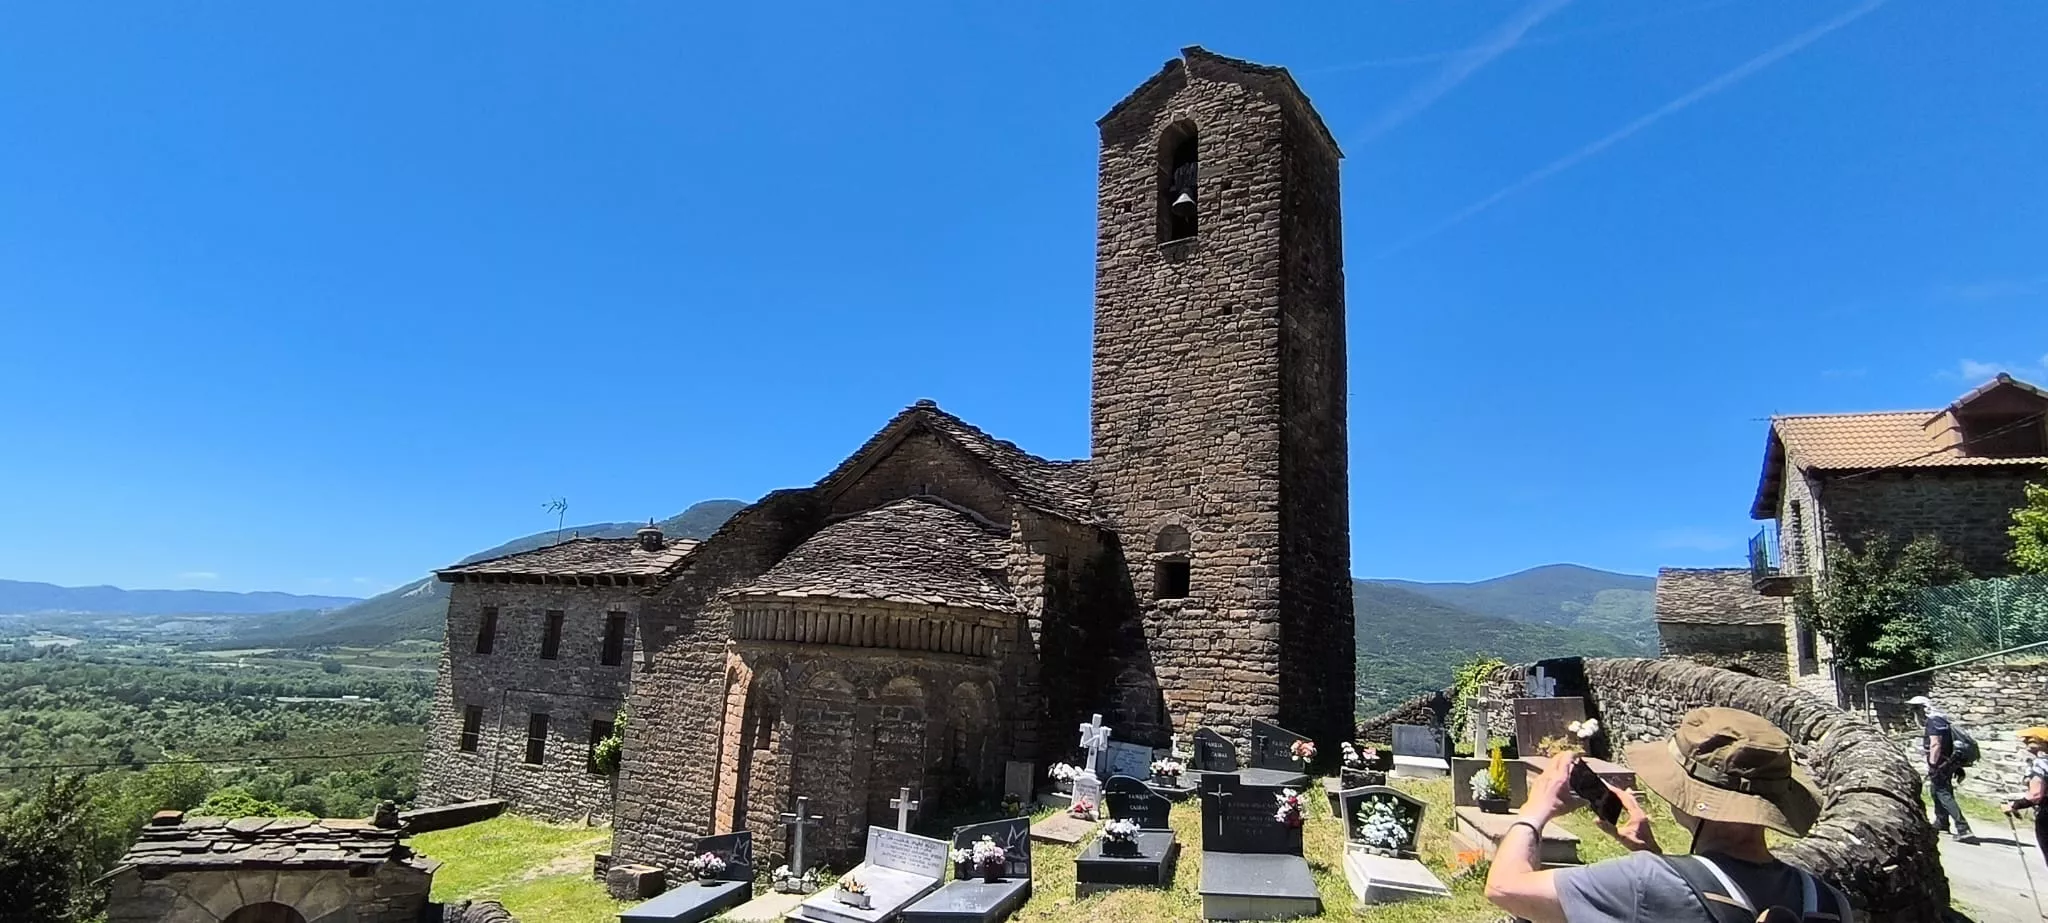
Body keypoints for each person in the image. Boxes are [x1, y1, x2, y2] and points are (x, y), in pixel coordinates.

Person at [1484, 706, 1853, 923]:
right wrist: (1652, 851)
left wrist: (1534, 812)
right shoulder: (1830, 903)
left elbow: (1505, 888)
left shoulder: (1644, 881)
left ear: (1686, 795)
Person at [1908, 694, 1973, 841]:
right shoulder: (1942, 720)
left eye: (1916, 709)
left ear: (1922, 709)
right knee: (1935, 790)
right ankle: (1941, 821)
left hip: (1940, 764)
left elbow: (1935, 744)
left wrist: (1932, 765)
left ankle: (1963, 828)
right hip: (1949, 762)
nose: (1914, 712)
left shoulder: (1933, 722)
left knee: (1943, 792)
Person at [1999, 726, 2048, 863]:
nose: (2025, 742)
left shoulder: (2041, 764)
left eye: (2031, 739)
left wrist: (2014, 805)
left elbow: (2036, 794)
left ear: (2043, 743)